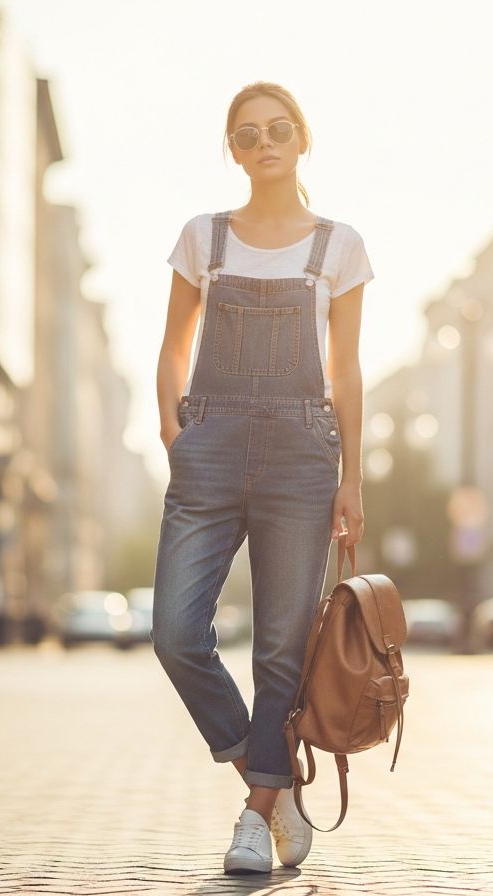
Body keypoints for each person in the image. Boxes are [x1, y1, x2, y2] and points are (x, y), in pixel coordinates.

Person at [152, 81, 372, 875]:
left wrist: (353, 477)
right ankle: (267, 774)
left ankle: (255, 818)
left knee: (281, 648)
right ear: (234, 151)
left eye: (279, 129)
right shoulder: (202, 239)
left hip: (302, 454)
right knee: (175, 633)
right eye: (247, 135)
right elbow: (173, 350)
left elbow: (345, 372)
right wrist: (179, 435)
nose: (264, 143)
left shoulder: (338, 246)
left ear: (303, 137)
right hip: (209, 448)